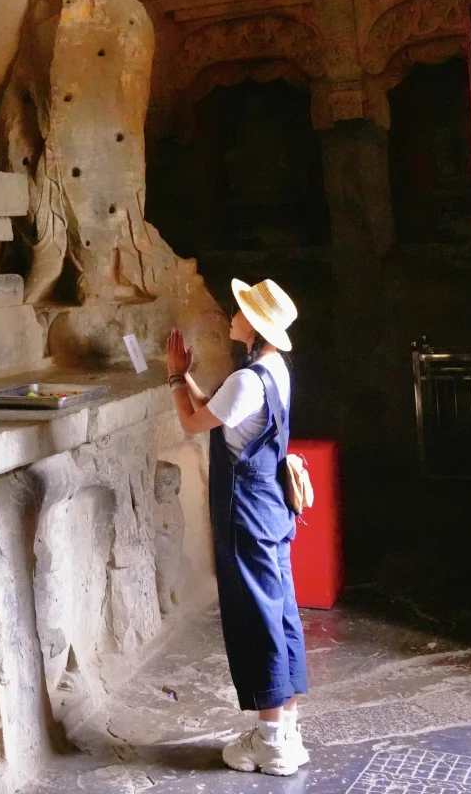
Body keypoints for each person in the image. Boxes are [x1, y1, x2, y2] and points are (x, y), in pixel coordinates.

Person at [165, 277, 309, 776]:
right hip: (272, 507)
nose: (233, 314)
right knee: (281, 609)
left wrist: (172, 379)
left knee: (258, 616)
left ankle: (271, 742)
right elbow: (219, 413)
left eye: (241, 309)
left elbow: (192, 422)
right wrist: (188, 377)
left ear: (256, 324)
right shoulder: (273, 370)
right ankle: (285, 729)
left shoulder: (248, 380)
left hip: (247, 509)